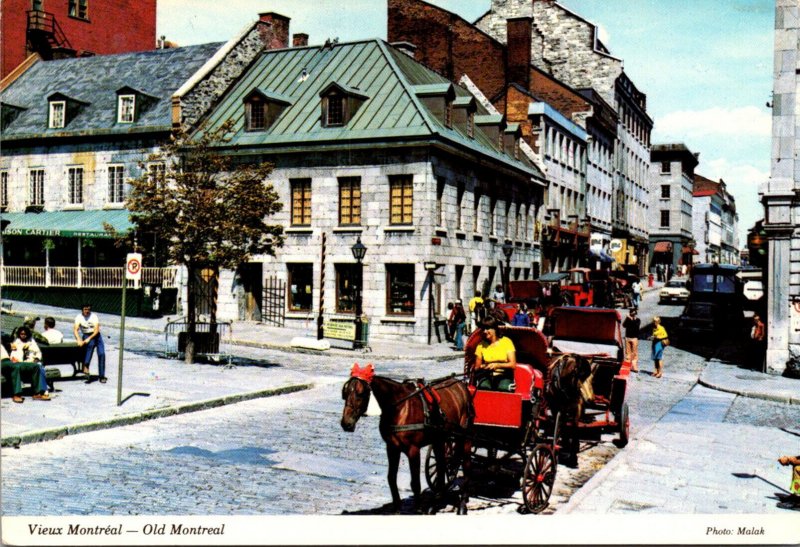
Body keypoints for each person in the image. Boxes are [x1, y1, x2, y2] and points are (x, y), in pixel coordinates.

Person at [474, 315, 517, 391]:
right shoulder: (481, 345)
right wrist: (485, 366)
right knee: (483, 387)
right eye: (483, 329)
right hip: (487, 375)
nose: (484, 331)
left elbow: (513, 364)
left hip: (504, 375)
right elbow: (477, 367)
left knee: (503, 388)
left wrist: (498, 365)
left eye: (487, 328)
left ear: (494, 329)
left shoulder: (507, 342)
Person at [74, 303, 106, 383]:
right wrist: (78, 339)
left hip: (96, 336)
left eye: (88, 309)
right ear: (82, 310)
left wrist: (89, 338)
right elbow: (75, 329)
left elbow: (96, 330)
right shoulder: (79, 317)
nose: (87, 311)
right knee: (90, 346)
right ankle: (86, 366)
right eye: (85, 309)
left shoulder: (94, 316)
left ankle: (101, 376)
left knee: (101, 354)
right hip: (86, 334)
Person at [622, 308, 641, 373]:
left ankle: (634, 367)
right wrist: (627, 318)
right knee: (628, 353)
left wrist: (630, 318)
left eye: (634, 313)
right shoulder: (628, 319)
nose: (633, 314)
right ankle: (627, 367)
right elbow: (624, 325)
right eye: (631, 313)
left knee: (634, 353)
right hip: (628, 338)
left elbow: (636, 326)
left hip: (634, 338)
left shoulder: (638, 320)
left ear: (636, 313)